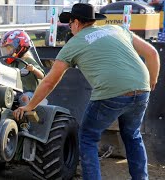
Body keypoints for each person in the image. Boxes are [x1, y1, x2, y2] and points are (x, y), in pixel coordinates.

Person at [13, 3, 160, 180]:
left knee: (88, 138)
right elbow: (152, 53)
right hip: (142, 88)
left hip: (110, 93)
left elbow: (50, 81)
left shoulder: (74, 43)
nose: (70, 28)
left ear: (76, 22)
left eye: (69, 24)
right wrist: (152, 80)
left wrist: (29, 106)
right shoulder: (117, 29)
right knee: (133, 135)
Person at [0, 30, 45, 107]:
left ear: (19, 47)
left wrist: (33, 69)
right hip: (16, 91)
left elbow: (42, 76)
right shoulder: (13, 63)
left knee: (24, 98)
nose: (7, 52)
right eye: (5, 50)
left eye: (9, 48)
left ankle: (27, 115)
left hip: (30, 93)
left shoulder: (28, 60)